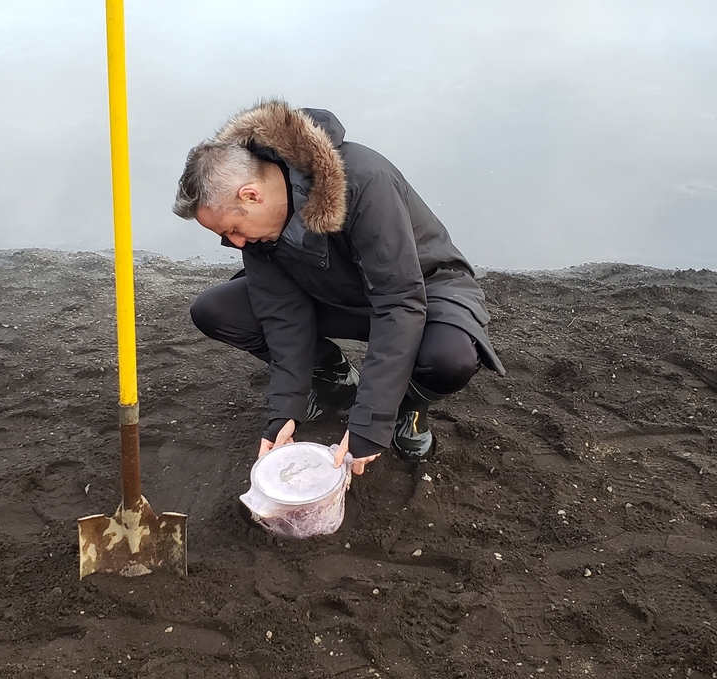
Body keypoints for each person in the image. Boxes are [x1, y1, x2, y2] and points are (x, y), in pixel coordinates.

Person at [174, 100, 504, 474]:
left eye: (231, 229)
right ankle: (333, 378)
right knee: (215, 310)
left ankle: (409, 406)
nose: (234, 243)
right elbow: (281, 313)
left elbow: (398, 301)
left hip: (421, 291)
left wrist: (370, 419)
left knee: (451, 357)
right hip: (335, 293)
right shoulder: (259, 231)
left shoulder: (363, 181)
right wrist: (286, 410)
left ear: (251, 195)